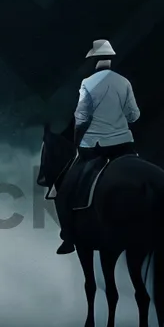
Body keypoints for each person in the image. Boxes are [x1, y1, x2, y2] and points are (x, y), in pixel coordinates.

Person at [56, 39, 140, 254]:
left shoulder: (88, 83)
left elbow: (81, 117)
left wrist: (77, 142)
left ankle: (68, 237)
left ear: (93, 60)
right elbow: (134, 115)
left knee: (63, 190)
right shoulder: (124, 82)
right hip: (124, 145)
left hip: (96, 145)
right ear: (111, 60)